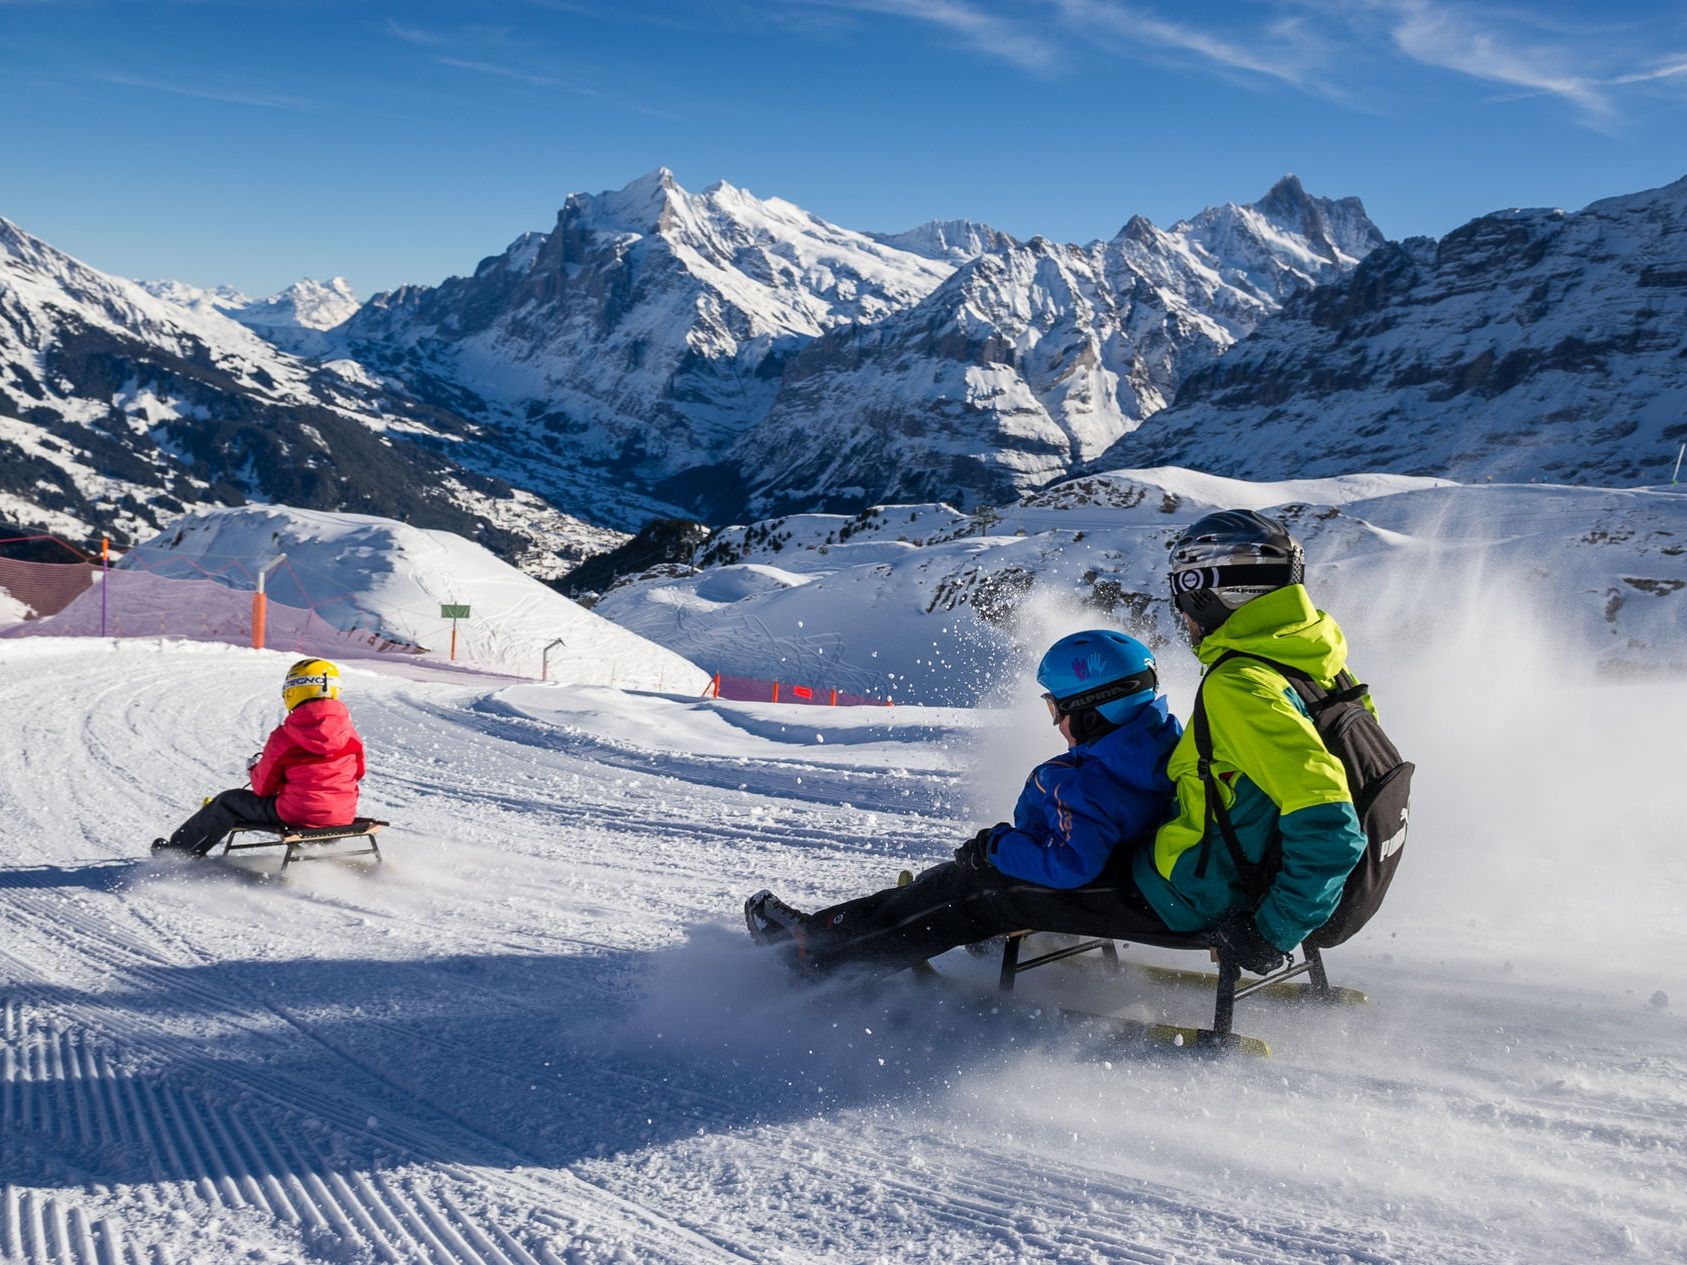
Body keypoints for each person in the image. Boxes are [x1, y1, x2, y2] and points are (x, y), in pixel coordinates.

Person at [744, 630, 1183, 978]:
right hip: (1134, 874)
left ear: (1091, 709)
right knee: (960, 877)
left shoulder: (1089, 781)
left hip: (1103, 888)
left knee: (961, 890)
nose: (1055, 722)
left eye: (1056, 708)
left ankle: (815, 950)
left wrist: (996, 847)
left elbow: (1070, 864)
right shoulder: (1158, 746)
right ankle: (944, 920)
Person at [1138, 508, 1373, 975]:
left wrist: (1271, 932)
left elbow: (1331, 828)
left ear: (1208, 594)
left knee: (1046, 877)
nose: (1181, 613)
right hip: (1267, 871)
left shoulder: (1241, 684)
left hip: (1200, 894)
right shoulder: (1318, 665)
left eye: (1184, 593)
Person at [152, 658, 365, 857]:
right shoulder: (349, 733)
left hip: (299, 815)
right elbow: (358, 772)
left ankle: (177, 853)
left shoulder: (285, 736)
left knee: (228, 801)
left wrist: (254, 770)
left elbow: (263, 788)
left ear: (293, 691)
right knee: (300, 802)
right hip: (341, 814)